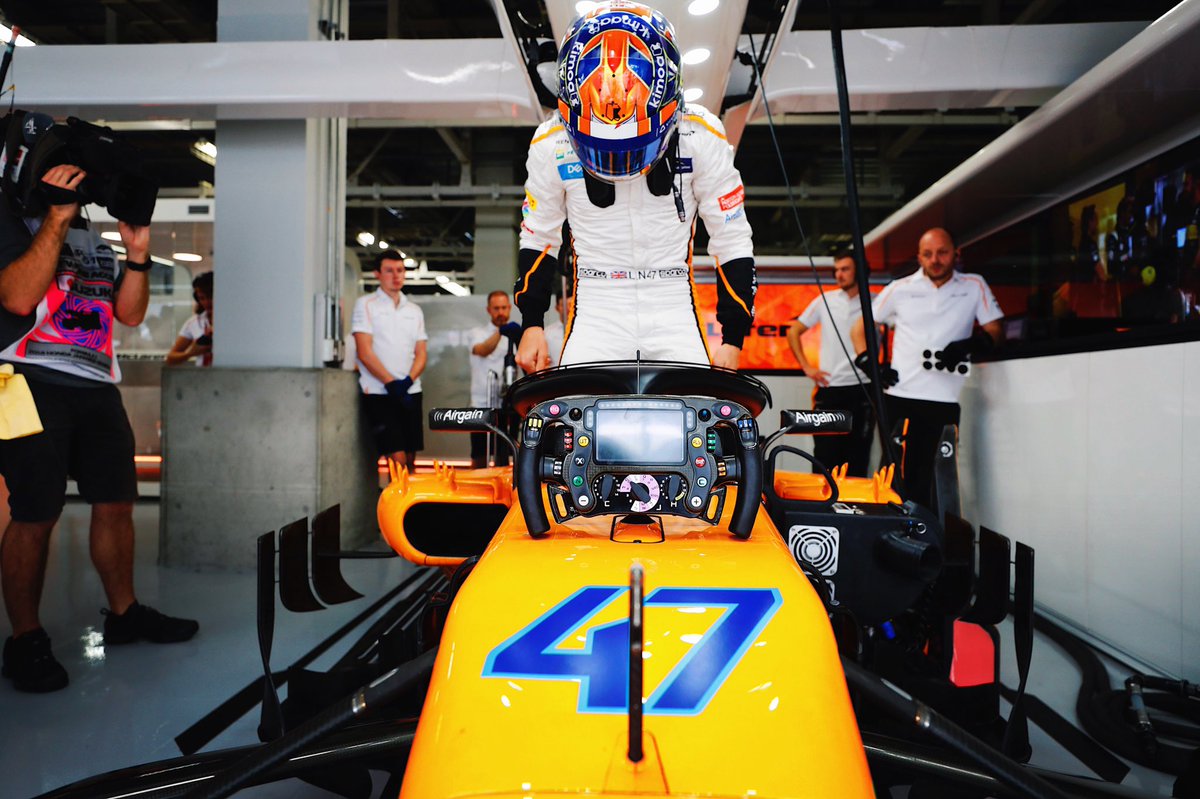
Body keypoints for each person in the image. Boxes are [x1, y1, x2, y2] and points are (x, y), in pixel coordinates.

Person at [0, 159, 198, 694]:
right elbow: (17, 298)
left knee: (115, 501)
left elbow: (128, 315)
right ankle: (24, 639)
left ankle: (125, 613)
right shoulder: (12, 224)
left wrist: (136, 252)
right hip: (27, 378)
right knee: (36, 511)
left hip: (95, 383)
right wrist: (56, 217)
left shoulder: (92, 240)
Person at [513, 1, 755, 372]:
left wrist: (734, 338)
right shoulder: (551, 142)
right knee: (575, 406)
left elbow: (731, 237)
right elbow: (539, 235)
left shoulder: (701, 134)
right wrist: (532, 324)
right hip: (597, 306)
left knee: (696, 406)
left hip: (672, 302)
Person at [850, 228, 1003, 509]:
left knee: (937, 477)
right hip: (900, 395)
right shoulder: (900, 287)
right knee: (893, 474)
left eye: (942, 252)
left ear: (956, 254)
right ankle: (890, 529)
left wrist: (970, 344)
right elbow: (859, 328)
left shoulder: (973, 285)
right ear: (919, 257)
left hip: (945, 399)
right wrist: (869, 365)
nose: (935, 260)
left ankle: (928, 532)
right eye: (928, 254)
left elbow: (995, 329)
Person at [786, 251, 875, 476]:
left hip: (863, 389)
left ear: (860, 271)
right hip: (830, 389)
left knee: (858, 458)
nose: (839, 275)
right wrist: (807, 367)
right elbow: (793, 331)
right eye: (836, 270)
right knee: (824, 458)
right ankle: (823, 498)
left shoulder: (875, 302)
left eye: (845, 269)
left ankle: (853, 499)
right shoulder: (825, 300)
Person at [351, 251, 427, 471]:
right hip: (379, 393)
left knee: (410, 460)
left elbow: (421, 353)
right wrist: (391, 383)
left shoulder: (414, 310)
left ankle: (409, 497)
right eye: (389, 271)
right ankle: (395, 495)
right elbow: (364, 352)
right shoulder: (365, 304)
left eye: (400, 270)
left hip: (410, 391)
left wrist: (407, 382)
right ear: (377, 274)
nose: (396, 276)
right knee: (397, 459)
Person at [468, 290, 521, 468]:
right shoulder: (477, 333)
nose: (501, 312)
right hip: (481, 404)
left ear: (510, 308)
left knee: (506, 453)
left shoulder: (514, 334)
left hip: (508, 405)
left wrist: (518, 337)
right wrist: (500, 331)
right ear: (488, 310)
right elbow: (483, 350)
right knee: (479, 454)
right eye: (496, 308)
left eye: (504, 308)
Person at [165, 271, 213, 366]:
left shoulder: (232, 321)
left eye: (210, 297)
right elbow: (170, 358)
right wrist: (190, 353)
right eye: (202, 298)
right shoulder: (194, 323)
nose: (207, 302)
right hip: (203, 373)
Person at [542, 293, 568, 369]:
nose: (568, 308)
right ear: (557, 308)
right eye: (563, 305)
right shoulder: (547, 333)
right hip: (555, 375)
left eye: (570, 305)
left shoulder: (583, 332)